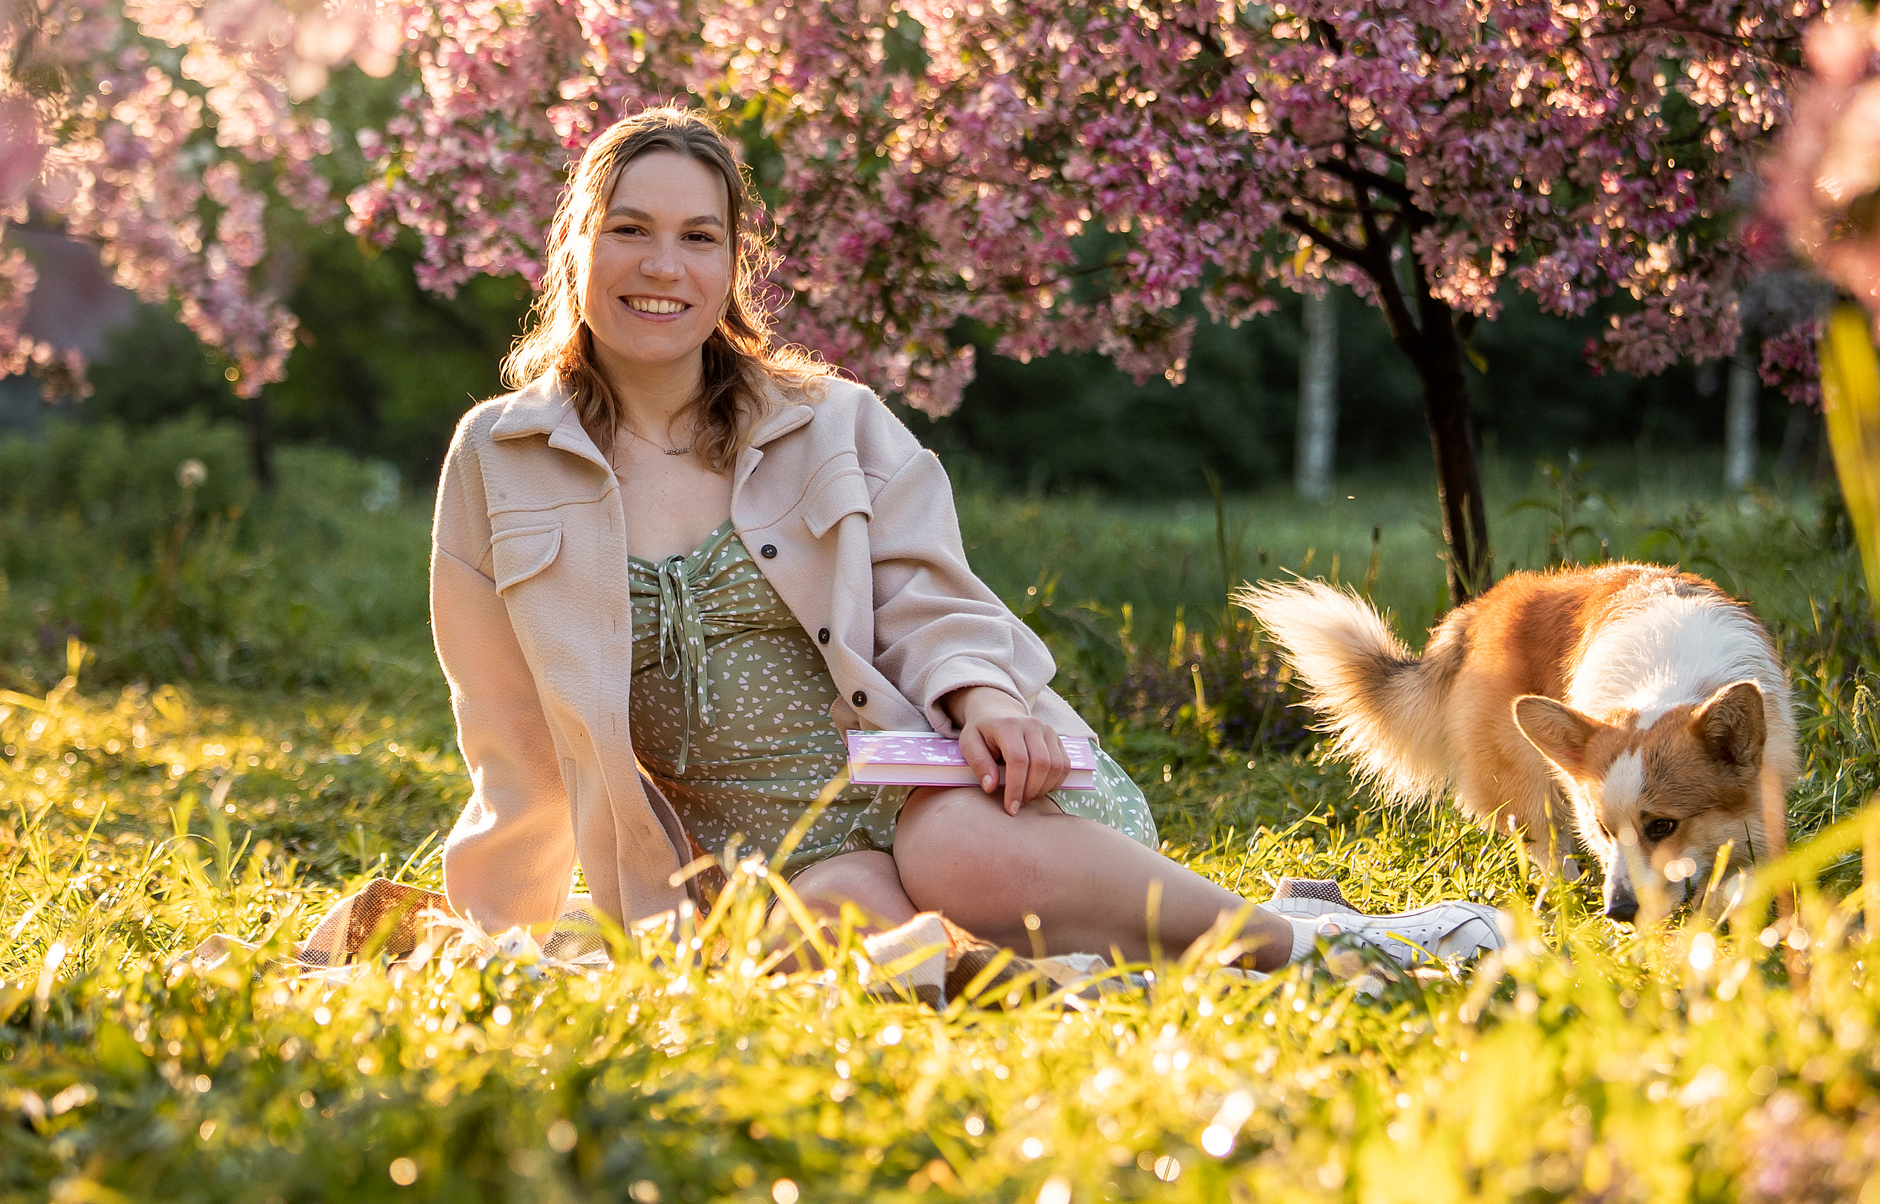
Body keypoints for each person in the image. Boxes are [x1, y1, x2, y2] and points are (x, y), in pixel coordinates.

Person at [421, 107, 1503, 971]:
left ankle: (1327, 947)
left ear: (732, 265)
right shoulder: (498, 457)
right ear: (575, 244)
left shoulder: (831, 421)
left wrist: (986, 699)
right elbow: (508, 732)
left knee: (955, 854)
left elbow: (930, 595)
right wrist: (495, 936)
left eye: (698, 237)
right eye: (630, 229)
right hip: (748, 852)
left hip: (925, 778)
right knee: (854, 933)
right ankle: (1110, 959)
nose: (663, 265)